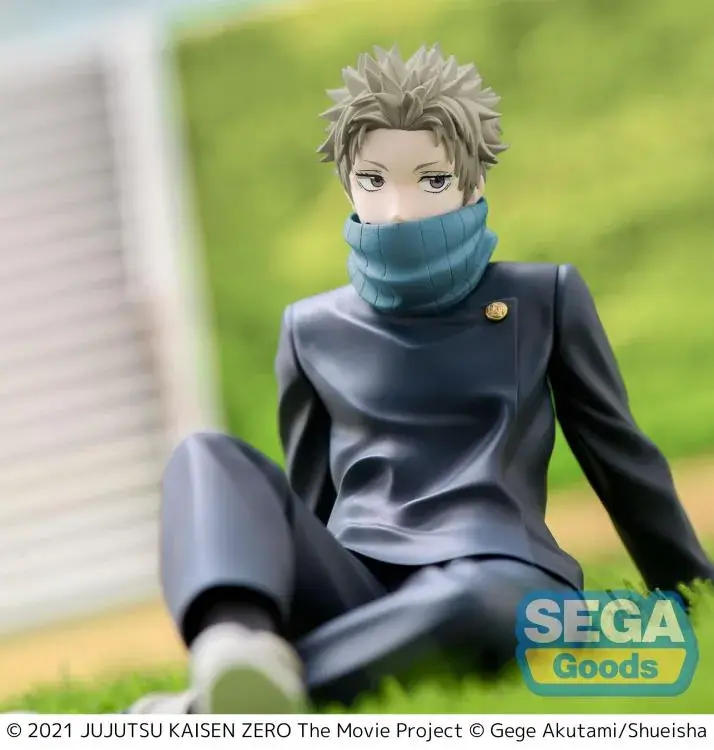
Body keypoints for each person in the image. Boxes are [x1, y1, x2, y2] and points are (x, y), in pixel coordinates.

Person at [129, 45, 713, 714]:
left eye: (430, 180)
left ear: (472, 183)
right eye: (374, 180)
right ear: (347, 185)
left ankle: (203, 710)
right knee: (204, 455)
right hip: (361, 579)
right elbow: (309, 501)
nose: (398, 208)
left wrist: (690, 584)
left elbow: (619, 457)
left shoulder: (543, 297)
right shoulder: (309, 329)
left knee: (470, 600)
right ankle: (235, 646)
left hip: (501, 573)